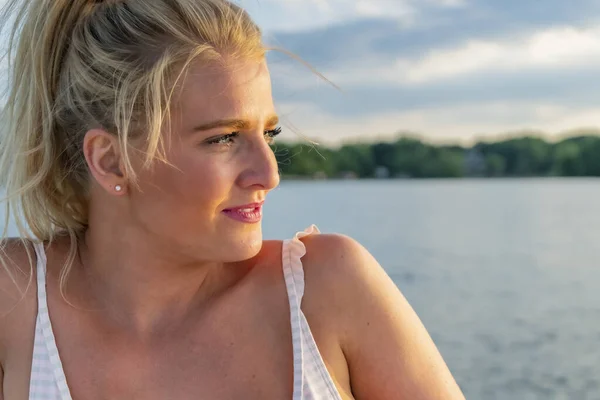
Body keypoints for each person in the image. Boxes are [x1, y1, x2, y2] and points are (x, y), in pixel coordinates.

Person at [0, 0, 466, 399]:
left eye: (268, 133)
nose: (269, 174)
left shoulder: (324, 291)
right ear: (112, 160)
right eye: (223, 138)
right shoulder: (16, 298)